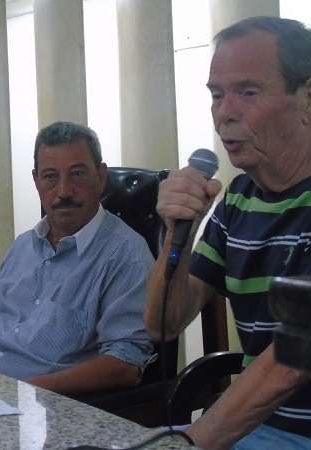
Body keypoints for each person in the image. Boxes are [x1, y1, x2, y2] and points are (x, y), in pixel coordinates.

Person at [144, 17, 311, 450]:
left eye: (248, 92)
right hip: (258, 428)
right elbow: (164, 323)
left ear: (307, 97)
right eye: (217, 95)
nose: (225, 112)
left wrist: (189, 443)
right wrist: (179, 231)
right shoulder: (238, 198)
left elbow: (291, 362)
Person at [0, 121, 154, 394]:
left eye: (77, 174)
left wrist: (23, 392)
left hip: (49, 406)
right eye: (50, 177)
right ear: (36, 181)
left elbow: (125, 365)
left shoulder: (126, 256)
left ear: (101, 177)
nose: (64, 191)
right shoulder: (21, 248)